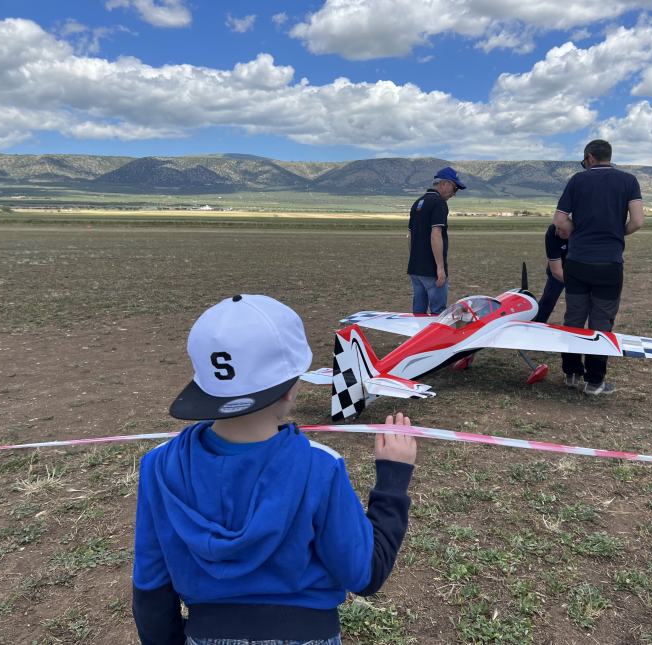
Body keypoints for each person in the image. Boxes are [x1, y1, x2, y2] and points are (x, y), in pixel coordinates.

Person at [132, 294, 417, 645]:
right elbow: (365, 574)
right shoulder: (319, 465)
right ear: (290, 388)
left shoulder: (158, 465)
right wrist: (393, 479)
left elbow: (151, 589)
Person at [553, 139, 645, 395]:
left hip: (577, 261)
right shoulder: (629, 181)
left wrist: (576, 232)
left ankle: (570, 373)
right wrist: (616, 233)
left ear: (589, 157)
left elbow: (560, 220)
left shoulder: (577, 181)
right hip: (609, 263)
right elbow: (637, 221)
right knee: (601, 321)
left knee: (573, 317)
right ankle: (594, 381)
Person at [407, 166, 466, 314]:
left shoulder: (418, 203)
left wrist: (414, 258)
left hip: (415, 268)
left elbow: (410, 236)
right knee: (438, 313)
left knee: (418, 312)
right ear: (444, 184)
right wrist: (440, 268)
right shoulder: (439, 203)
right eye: (455, 188)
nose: (454, 193)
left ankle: (418, 337)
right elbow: (436, 235)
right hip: (431, 269)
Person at [533, 223, 569, 324]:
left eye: (561, 229)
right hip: (557, 271)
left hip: (577, 271)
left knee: (576, 306)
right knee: (548, 300)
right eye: (557, 227)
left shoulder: (581, 231)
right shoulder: (552, 232)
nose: (557, 230)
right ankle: (537, 326)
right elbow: (556, 270)